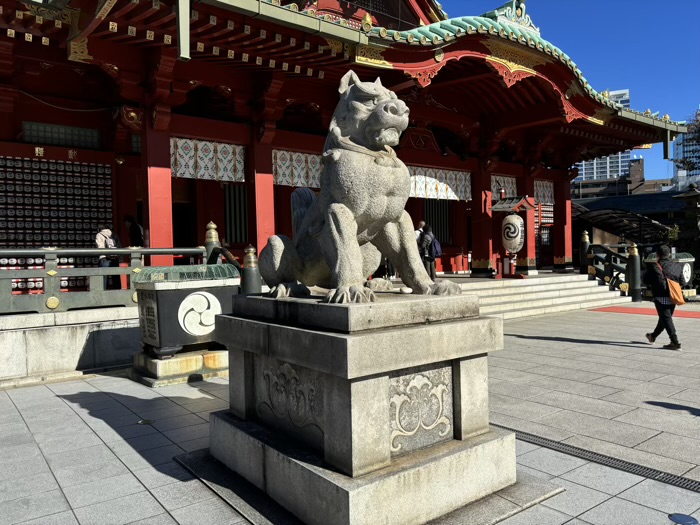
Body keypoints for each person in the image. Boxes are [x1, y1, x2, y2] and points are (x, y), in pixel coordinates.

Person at [642, 245, 686, 350]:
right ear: (669, 254)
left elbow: (645, 280)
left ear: (657, 255)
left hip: (660, 297)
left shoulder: (654, 266)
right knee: (664, 318)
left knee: (666, 319)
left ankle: (675, 342)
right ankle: (652, 336)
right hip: (673, 297)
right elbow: (683, 282)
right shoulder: (677, 266)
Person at [95, 225, 121, 290]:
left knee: (104, 278)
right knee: (116, 277)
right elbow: (119, 246)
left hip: (104, 258)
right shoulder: (114, 234)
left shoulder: (99, 235)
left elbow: (99, 247)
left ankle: (104, 293)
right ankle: (118, 293)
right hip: (114, 257)